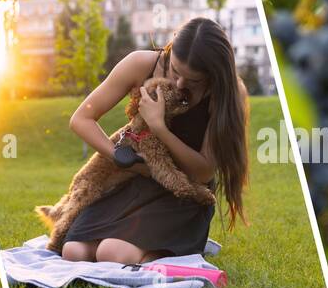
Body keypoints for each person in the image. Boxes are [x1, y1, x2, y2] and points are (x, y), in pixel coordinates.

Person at [58, 17, 249, 265]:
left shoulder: (227, 92)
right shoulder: (141, 64)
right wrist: (121, 158)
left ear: (213, 76)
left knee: (112, 254)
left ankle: (178, 246)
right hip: (131, 181)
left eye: (194, 81)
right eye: (175, 71)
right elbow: (81, 119)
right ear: (170, 48)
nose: (180, 83)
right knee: (73, 252)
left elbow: (202, 172)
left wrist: (160, 128)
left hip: (181, 192)